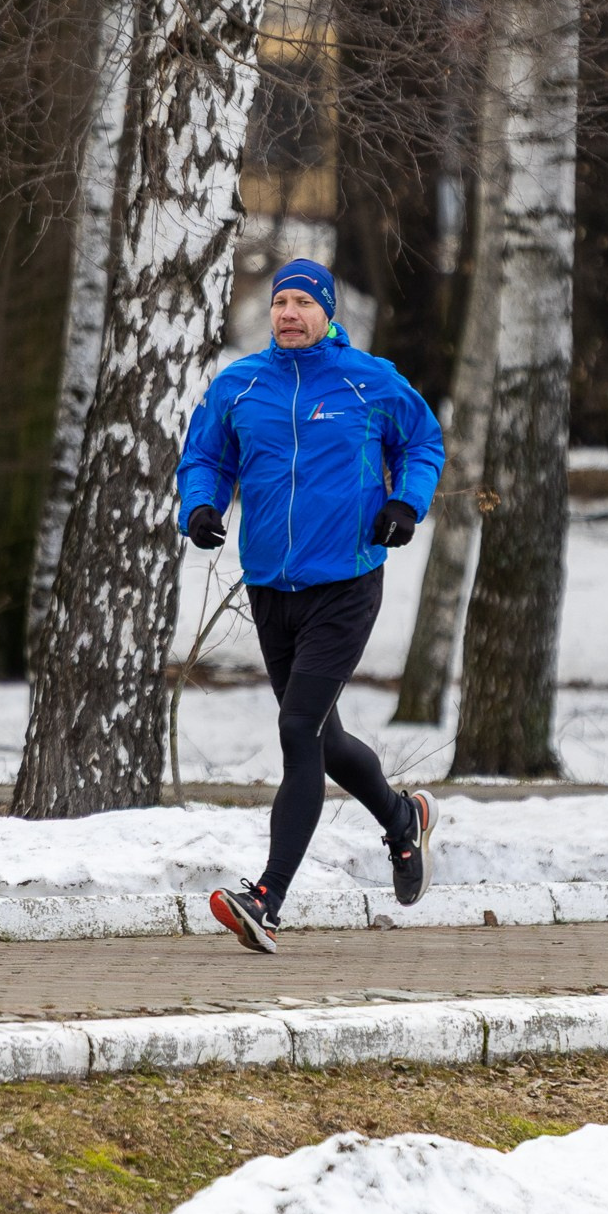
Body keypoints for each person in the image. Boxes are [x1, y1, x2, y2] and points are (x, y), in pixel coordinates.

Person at [179, 259, 447, 955]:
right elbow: (205, 457)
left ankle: (266, 899)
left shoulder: (370, 380)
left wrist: (405, 502)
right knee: (321, 738)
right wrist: (201, 506)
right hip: (271, 586)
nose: (289, 313)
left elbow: (423, 442)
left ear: (328, 313)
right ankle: (402, 819)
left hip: (345, 583)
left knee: (298, 728)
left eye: (303, 302)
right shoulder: (240, 384)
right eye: (281, 302)